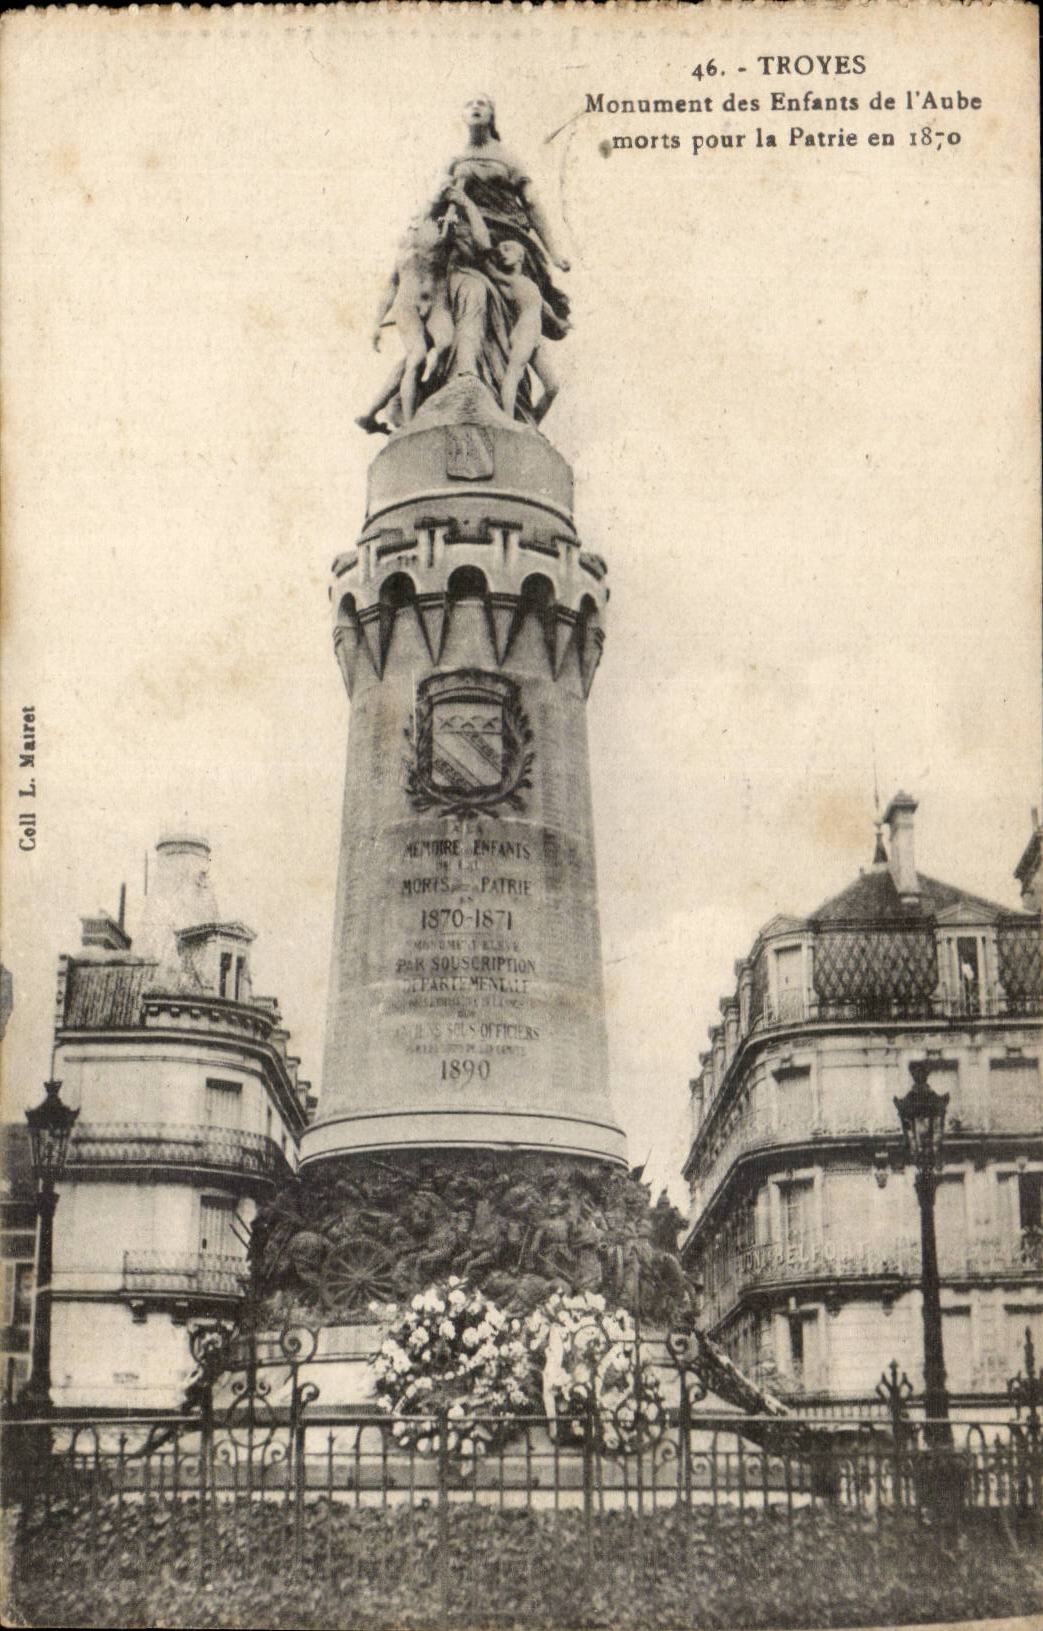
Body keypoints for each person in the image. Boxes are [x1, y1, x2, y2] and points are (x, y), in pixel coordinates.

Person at [355, 211, 455, 435]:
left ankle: (416, 399)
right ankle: (411, 424)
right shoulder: (405, 251)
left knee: (446, 345)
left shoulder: (444, 226)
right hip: (407, 305)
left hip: (435, 302)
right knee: (417, 356)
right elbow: (391, 285)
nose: (413, 230)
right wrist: (376, 323)